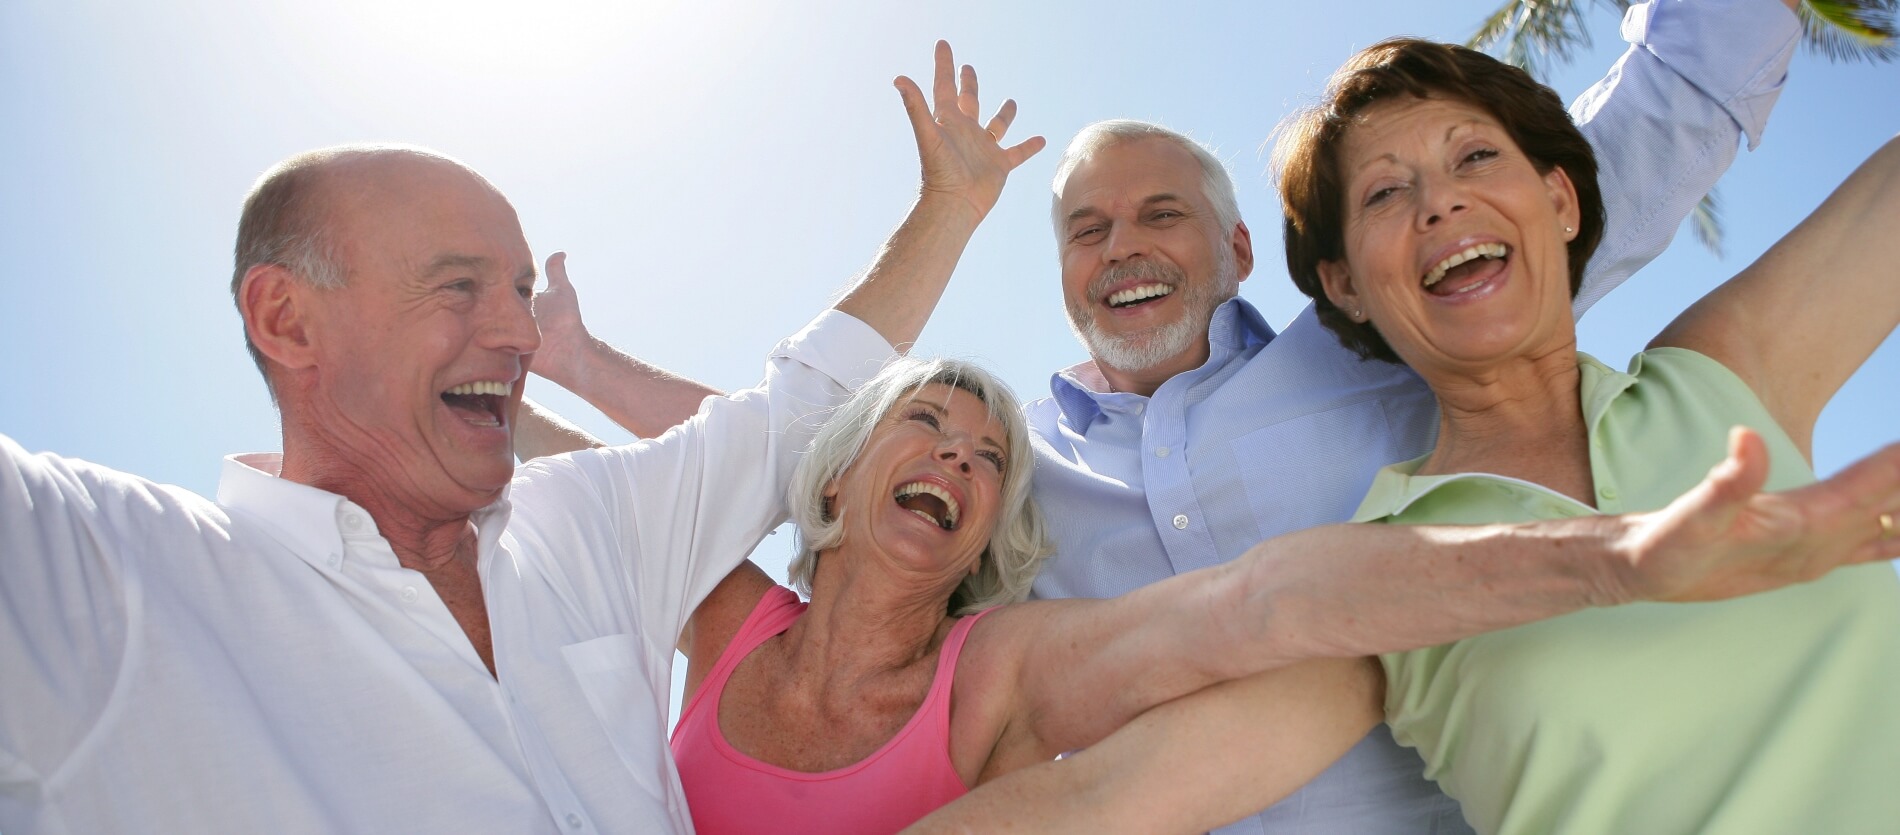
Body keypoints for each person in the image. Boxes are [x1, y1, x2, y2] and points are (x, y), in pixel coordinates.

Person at [527, 1, 1816, 830]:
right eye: (1088, 228)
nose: (1122, 247)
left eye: (1159, 215)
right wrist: (580, 364)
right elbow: (804, 461)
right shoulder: (1007, 470)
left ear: (1242, 248)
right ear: (1063, 276)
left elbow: (1660, 120)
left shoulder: (1381, 333)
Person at [0, 43, 1042, 834]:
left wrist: (947, 208)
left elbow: (798, 407)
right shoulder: (112, 573)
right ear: (286, 319)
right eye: (457, 286)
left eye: (516, 289)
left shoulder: (588, 527)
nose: (513, 330)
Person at [906, 35, 1900, 835]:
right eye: (1385, 193)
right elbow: (1098, 796)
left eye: (1474, 157)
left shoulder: (1721, 377)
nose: (1441, 200)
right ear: (1342, 282)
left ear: (1559, 199)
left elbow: (1702, 79)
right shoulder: (1383, 590)